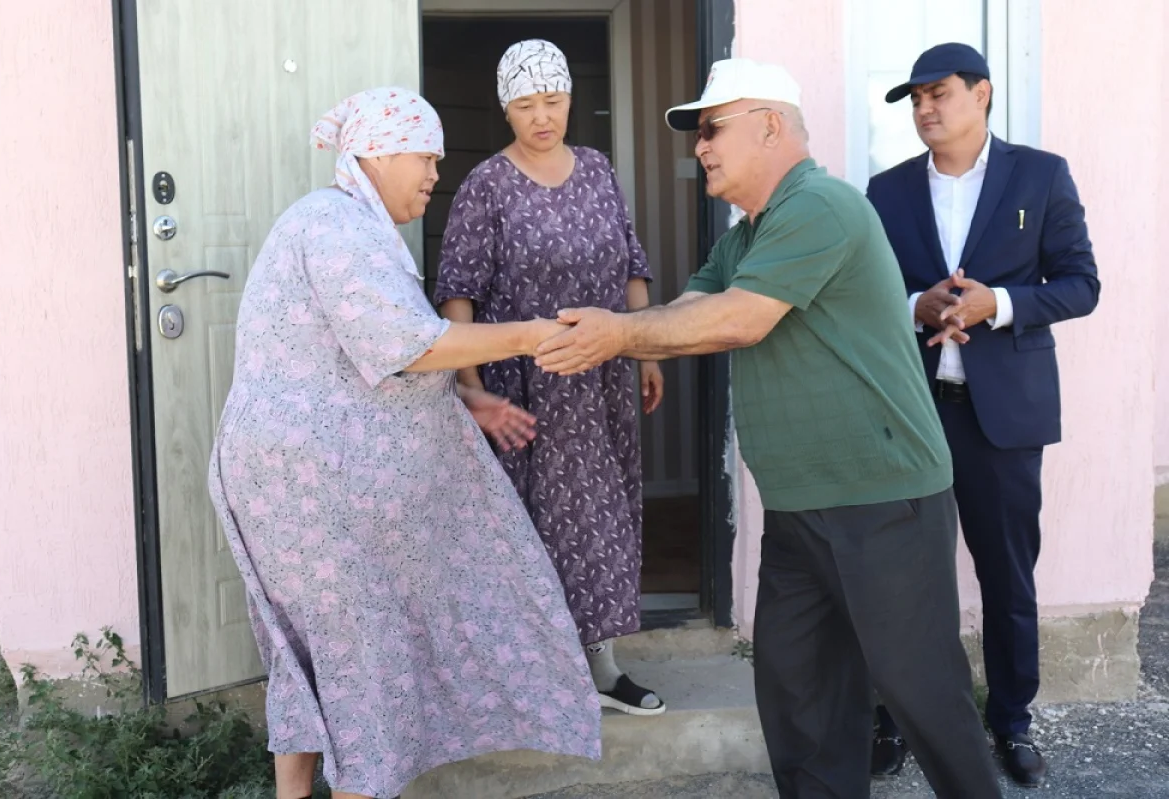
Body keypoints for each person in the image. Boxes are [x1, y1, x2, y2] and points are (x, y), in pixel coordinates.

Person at [533, 57, 1002, 799]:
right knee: (801, 700)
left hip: (883, 502)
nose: (701, 147)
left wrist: (618, 333)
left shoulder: (821, 205)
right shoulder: (745, 235)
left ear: (772, 126)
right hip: (796, 507)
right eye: (699, 135)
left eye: (713, 128)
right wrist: (632, 332)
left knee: (923, 695)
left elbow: (739, 319)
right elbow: (693, 311)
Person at [207, 87, 601, 799]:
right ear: (380, 152)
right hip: (305, 488)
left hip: (294, 480)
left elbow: (367, 357)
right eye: (425, 156)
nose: (433, 174)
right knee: (358, 652)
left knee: (315, 655)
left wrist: (464, 396)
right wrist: (532, 332)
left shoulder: (347, 227)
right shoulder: (333, 225)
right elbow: (405, 343)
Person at [865, 42, 1101, 787]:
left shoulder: (1040, 174)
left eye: (939, 93)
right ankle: (896, 715)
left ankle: (1011, 722)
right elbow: (867, 294)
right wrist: (917, 305)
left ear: (983, 94)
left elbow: (1081, 283)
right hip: (915, 411)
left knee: (1007, 577)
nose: (926, 109)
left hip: (1003, 418)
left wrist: (998, 302)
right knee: (903, 580)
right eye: (916, 99)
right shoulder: (887, 190)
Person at [434, 39, 666, 716]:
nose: (543, 116)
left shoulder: (597, 170)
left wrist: (648, 350)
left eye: (555, 101)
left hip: (599, 381)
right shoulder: (486, 186)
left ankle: (603, 668)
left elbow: (630, 264)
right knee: (527, 529)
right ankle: (533, 677)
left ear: (570, 99)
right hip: (524, 389)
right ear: (506, 108)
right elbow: (458, 296)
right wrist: (473, 388)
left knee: (602, 517)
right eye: (528, 104)